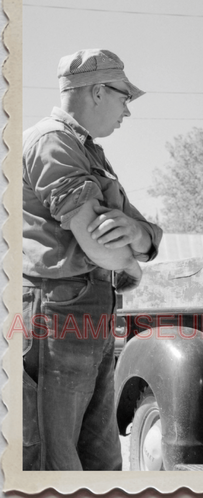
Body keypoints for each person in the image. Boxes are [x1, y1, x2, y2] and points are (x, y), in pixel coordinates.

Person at [22, 49, 163, 470]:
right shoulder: (53, 142)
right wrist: (132, 260)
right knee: (54, 458)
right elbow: (101, 247)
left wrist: (139, 237)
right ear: (98, 91)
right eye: (125, 98)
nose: (127, 111)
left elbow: (146, 232)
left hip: (85, 312)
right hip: (57, 311)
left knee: (99, 457)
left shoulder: (87, 150)